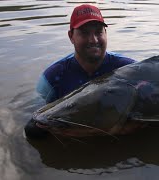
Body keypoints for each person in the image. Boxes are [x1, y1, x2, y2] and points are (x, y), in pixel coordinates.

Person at [25, 4, 136, 138]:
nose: (93, 40)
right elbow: (33, 119)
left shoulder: (130, 69)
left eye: (98, 32)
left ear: (106, 33)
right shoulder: (52, 78)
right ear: (71, 36)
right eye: (84, 32)